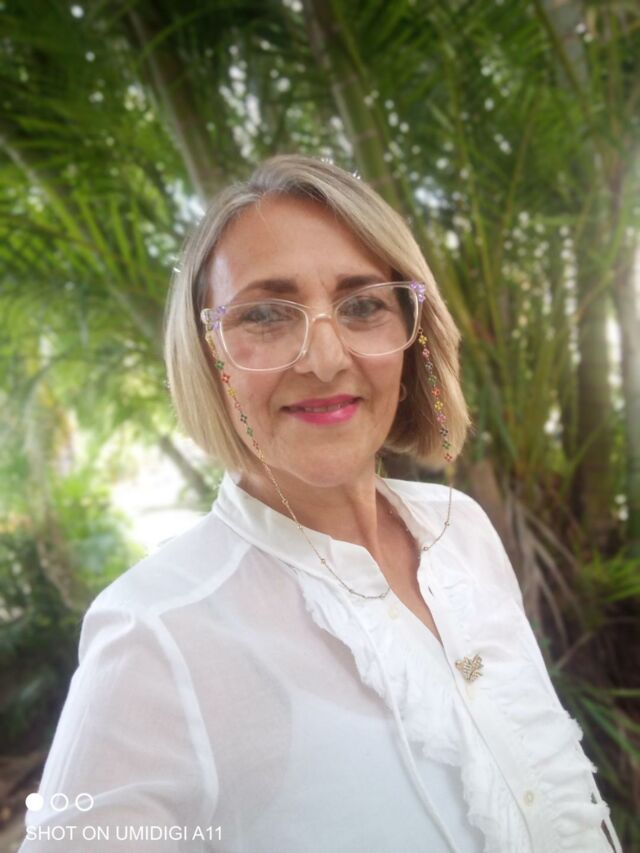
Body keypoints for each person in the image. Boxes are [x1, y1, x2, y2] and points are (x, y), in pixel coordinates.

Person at [19, 155, 621, 853]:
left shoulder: (464, 532)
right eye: (265, 315)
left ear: (414, 335)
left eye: (363, 305)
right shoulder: (156, 634)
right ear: (208, 358)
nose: (326, 357)